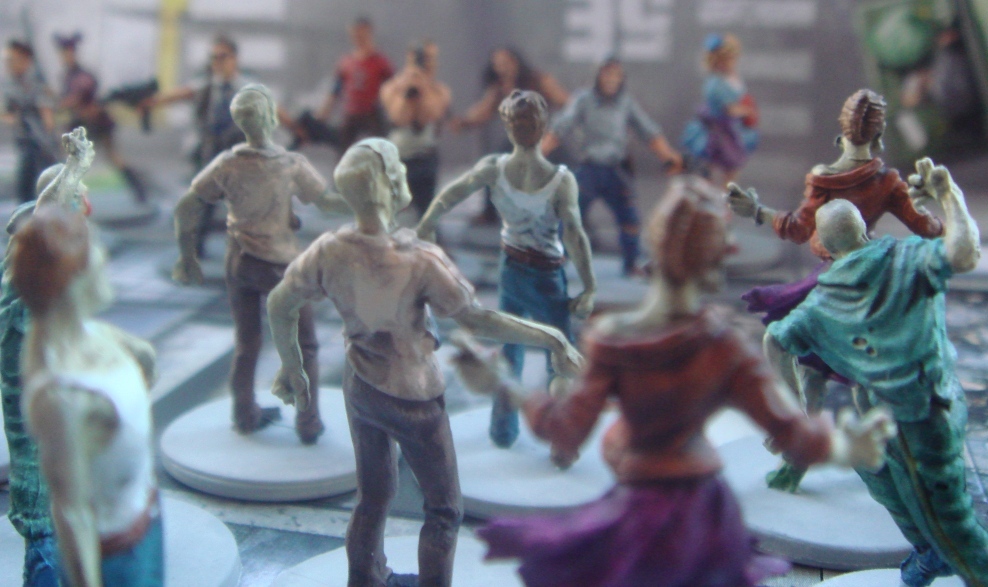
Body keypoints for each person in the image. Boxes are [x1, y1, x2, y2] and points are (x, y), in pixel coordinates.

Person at [450, 179, 894, 587]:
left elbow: (564, 429)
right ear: (715, 262)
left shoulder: (615, 341)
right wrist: (846, 448)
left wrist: (503, 383)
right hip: (705, 514)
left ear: (654, 251)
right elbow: (794, 434)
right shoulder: (723, 347)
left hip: (640, 509)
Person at [266, 137, 583, 587]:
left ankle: (364, 579)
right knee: (443, 509)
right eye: (397, 167)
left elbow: (279, 303)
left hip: (362, 387)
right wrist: (552, 337)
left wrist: (292, 366)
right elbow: (477, 319)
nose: (403, 171)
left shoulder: (328, 249)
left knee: (372, 498)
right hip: (414, 399)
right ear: (390, 185)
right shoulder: (420, 260)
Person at [764, 160, 988, 587]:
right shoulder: (909, 256)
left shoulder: (819, 306)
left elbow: (774, 341)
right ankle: (928, 554)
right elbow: (963, 251)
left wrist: (796, 411)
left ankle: (960, 562)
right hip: (893, 417)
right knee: (877, 474)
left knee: (954, 524)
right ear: (864, 233)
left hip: (922, 416)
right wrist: (949, 194)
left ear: (826, 249)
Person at [727, 89, 944, 491]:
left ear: (841, 132)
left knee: (803, 367)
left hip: (832, 282)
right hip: (872, 283)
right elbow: (929, 229)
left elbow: (796, 229)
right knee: (858, 378)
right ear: (879, 137)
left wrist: (757, 211)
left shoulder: (825, 178)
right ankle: (818, 451)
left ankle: (798, 439)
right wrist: (934, 196)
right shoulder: (888, 181)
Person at [417, 90, 596, 449]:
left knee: (512, 349)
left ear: (508, 127)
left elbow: (451, 195)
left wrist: (428, 223)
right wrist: (589, 287)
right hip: (544, 276)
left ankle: (505, 431)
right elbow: (574, 235)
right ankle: (561, 442)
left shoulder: (494, 169)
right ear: (543, 127)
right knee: (559, 354)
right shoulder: (560, 180)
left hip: (513, 269)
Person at [173, 84, 350, 443]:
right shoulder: (290, 165)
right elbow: (327, 202)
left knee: (246, 343)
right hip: (282, 268)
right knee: (305, 346)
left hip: (239, 262)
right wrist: (366, 203)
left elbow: (187, 205)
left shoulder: (227, 163)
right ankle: (308, 420)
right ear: (272, 117)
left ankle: (244, 414)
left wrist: (187, 255)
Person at [15, 206, 160, 587]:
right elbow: (71, 511)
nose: (103, 257)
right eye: (92, 253)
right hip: (114, 554)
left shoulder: (100, 335)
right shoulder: (62, 396)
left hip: (144, 517)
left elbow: (145, 362)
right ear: (71, 282)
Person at [0, 127, 96, 587]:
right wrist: (74, 170)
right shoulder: (24, 291)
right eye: (79, 199)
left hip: (61, 462)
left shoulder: (35, 278)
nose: (86, 208)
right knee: (45, 550)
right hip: (40, 474)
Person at [542, 56, 682, 276]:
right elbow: (561, 127)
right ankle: (556, 263)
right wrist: (538, 153)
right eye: (607, 73)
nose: (611, 79)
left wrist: (668, 157)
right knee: (569, 218)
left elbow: (648, 131)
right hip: (589, 170)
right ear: (598, 75)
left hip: (616, 170)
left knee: (630, 220)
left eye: (616, 74)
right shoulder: (583, 99)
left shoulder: (626, 102)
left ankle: (631, 264)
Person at [451, 47, 569, 225]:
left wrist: (554, 134)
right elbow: (482, 112)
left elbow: (568, 105)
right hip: (519, 142)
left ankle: (572, 216)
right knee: (492, 166)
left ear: (516, 62)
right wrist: (464, 122)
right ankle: (489, 212)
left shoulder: (538, 80)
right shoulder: (500, 89)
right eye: (498, 64)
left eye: (505, 63)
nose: (502, 68)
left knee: (568, 179)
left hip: (546, 141)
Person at [53, 32, 148, 203]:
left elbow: (77, 96)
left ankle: (139, 188)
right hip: (80, 123)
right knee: (70, 159)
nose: (66, 57)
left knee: (113, 157)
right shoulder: (67, 75)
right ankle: (67, 197)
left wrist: (61, 104)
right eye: (64, 53)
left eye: (68, 53)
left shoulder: (82, 75)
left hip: (97, 122)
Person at [379, 40, 451, 218]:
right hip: (398, 158)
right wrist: (407, 90)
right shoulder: (391, 88)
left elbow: (431, 115)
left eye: (430, 59)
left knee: (426, 216)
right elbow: (398, 117)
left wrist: (423, 86)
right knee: (390, 215)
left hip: (425, 158)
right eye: (421, 59)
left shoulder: (440, 91)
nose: (426, 64)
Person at [681, 33, 759, 187]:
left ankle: (726, 198)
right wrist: (745, 111)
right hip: (718, 131)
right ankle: (706, 195)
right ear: (717, 61)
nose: (731, 63)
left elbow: (738, 99)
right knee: (711, 169)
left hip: (732, 129)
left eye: (733, 58)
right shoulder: (714, 84)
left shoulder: (732, 78)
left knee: (731, 172)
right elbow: (728, 109)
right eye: (727, 59)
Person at [314, 16, 393, 151]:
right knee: (343, 149)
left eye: (360, 33)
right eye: (354, 34)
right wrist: (324, 112)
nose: (357, 37)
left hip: (372, 112)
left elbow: (391, 88)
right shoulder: (346, 62)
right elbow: (336, 89)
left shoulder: (380, 62)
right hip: (351, 112)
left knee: (378, 149)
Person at [2, 39, 58, 204]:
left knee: (41, 188)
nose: (9, 64)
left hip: (40, 145)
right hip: (25, 142)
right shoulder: (12, 84)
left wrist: (49, 141)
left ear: (25, 60)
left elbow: (47, 116)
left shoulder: (35, 84)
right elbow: (10, 114)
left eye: (13, 60)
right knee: (27, 190)